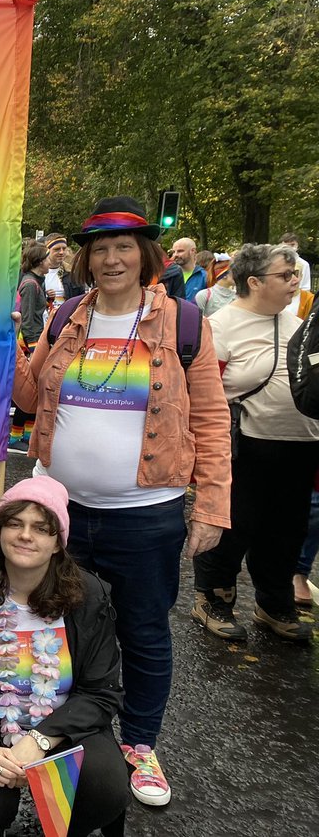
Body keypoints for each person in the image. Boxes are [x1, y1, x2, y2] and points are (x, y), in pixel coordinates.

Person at [12, 195, 230, 807]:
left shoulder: (185, 323)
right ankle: (54, 734)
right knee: (54, 628)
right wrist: (11, 342)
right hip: (58, 512)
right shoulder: (65, 318)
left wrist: (211, 506)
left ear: (145, 255)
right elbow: (27, 402)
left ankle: (138, 743)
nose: (111, 259)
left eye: (124, 247)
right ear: (86, 258)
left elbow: (212, 421)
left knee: (143, 632)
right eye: (100, 248)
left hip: (147, 514)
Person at [0, 476, 129, 835]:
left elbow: (101, 691)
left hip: (65, 729)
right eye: (14, 523)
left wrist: (40, 740)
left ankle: (67, 827)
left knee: (104, 788)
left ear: (57, 543)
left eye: (40, 528)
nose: (25, 535)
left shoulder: (89, 595)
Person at [192, 243, 319, 643]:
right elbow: (205, 395)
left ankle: (273, 603)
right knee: (234, 527)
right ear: (254, 281)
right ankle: (213, 599)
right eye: (285, 275)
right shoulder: (221, 325)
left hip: (300, 445)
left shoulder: (299, 321)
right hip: (245, 447)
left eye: (295, 274)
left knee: (286, 529)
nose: (294, 282)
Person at [11, 244, 51, 452]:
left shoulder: (38, 282)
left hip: (37, 341)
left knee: (36, 390)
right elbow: (26, 319)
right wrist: (35, 347)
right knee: (27, 390)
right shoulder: (29, 284)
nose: (50, 259)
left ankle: (28, 433)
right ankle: (15, 434)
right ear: (39, 260)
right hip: (29, 344)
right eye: (47, 256)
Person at [43, 234, 71, 315]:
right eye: (57, 249)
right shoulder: (38, 273)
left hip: (65, 320)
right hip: (42, 322)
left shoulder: (71, 272)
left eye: (64, 248)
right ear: (47, 251)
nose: (61, 252)